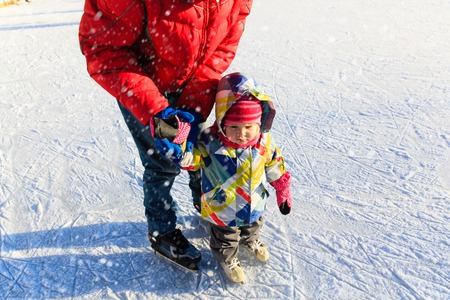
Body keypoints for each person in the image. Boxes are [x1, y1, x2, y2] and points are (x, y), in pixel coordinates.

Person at [78, 0, 254, 270]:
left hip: (193, 82)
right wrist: (156, 111)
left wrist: (195, 102)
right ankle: (162, 231)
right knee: (162, 164)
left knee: (201, 150)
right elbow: (105, 50)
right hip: (145, 90)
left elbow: (225, 41)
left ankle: (207, 203)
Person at [161, 72, 292, 283]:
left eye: (249, 127)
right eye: (234, 127)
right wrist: (184, 156)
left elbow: (274, 163)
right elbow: (195, 159)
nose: (242, 134)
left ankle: (251, 241)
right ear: (222, 122)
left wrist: (282, 189)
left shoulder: (263, 142)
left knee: (254, 224)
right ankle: (227, 258)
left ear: (259, 124)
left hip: (254, 200)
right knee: (225, 237)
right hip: (222, 205)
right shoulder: (211, 142)